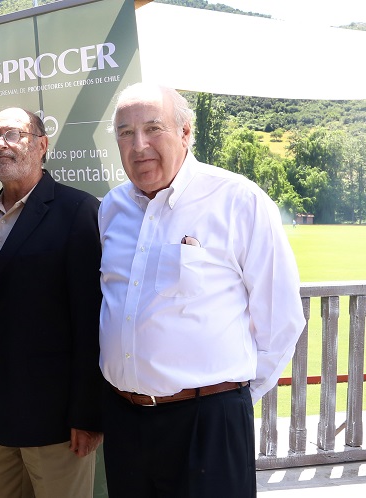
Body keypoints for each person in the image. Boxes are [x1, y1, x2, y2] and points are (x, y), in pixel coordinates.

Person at [99, 82, 306, 497]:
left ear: (186, 133)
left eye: (153, 128)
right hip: (125, 422)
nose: (139, 145)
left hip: (207, 424)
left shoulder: (238, 200)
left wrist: (225, 399)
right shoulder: (112, 207)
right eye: (125, 132)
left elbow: (281, 320)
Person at [0, 107, 104, 498]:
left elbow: (91, 320)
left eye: (12, 134)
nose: (0, 144)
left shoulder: (78, 212)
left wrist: (87, 414)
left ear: (41, 145)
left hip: (55, 423)